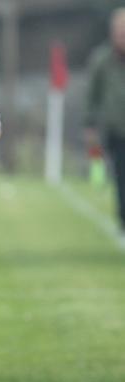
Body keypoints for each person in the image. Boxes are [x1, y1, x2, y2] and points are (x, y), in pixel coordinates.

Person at [85, 7, 125, 241]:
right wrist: (89, 125)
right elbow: (92, 95)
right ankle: (123, 217)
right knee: (121, 175)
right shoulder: (102, 60)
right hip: (116, 130)